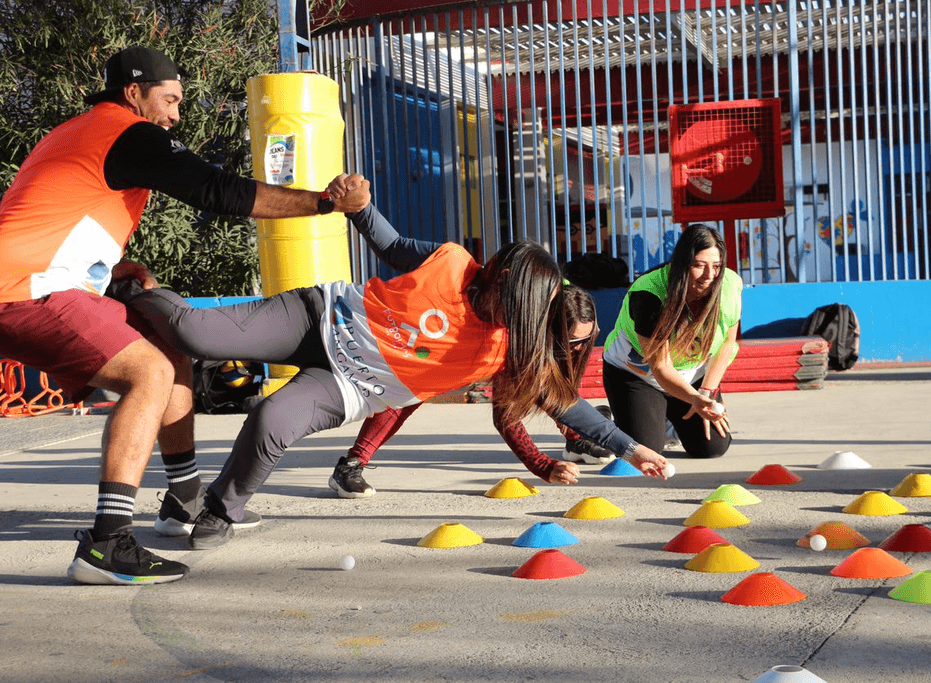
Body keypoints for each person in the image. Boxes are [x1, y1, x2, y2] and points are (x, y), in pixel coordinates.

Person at [119, 181, 669, 552]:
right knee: (194, 333)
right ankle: (136, 288)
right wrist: (358, 203)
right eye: (522, 301)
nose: (521, 315)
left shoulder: (506, 348)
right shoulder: (452, 261)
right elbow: (393, 243)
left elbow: (565, 402)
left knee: (271, 421)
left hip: (348, 385)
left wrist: (631, 447)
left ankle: (222, 507)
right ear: (502, 277)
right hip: (319, 317)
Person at [0, 46, 367, 586]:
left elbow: (45, 217)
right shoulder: (127, 132)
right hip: (25, 290)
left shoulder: (78, 132)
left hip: (35, 280)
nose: (175, 114)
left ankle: (184, 500)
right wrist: (324, 203)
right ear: (134, 93)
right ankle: (106, 544)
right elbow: (217, 191)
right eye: (169, 99)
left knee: (170, 348)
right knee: (145, 374)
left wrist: (117, 267)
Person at [330, 285, 617, 498]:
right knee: (410, 392)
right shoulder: (515, 332)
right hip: (446, 336)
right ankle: (351, 465)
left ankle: (575, 441)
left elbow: (563, 385)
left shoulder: (572, 309)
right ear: (548, 328)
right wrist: (540, 464)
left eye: (587, 338)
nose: (581, 346)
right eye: (574, 340)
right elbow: (505, 417)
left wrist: (576, 429)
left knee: (555, 377)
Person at [601, 223, 741, 457]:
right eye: (699, 265)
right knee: (646, 451)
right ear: (682, 263)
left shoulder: (729, 284)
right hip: (637, 374)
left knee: (711, 448)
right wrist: (694, 399)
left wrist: (705, 394)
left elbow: (727, 344)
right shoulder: (649, 294)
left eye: (716, 266)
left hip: (690, 375)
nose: (709, 276)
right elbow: (661, 366)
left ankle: (667, 421)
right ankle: (601, 420)